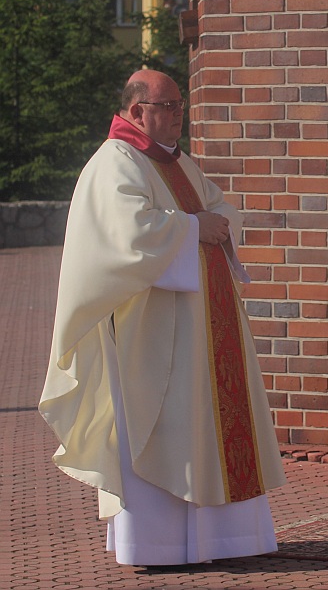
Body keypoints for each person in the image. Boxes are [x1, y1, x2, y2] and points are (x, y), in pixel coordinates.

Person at [39, 69, 286, 566]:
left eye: (180, 104)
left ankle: (228, 539)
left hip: (203, 329)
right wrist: (194, 227)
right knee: (163, 431)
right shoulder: (116, 163)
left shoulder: (177, 163)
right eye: (169, 106)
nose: (179, 115)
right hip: (151, 337)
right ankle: (157, 543)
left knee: (208, 425)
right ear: (136, 111)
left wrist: (211, 224)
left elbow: (216, 209)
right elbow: (127, 236)